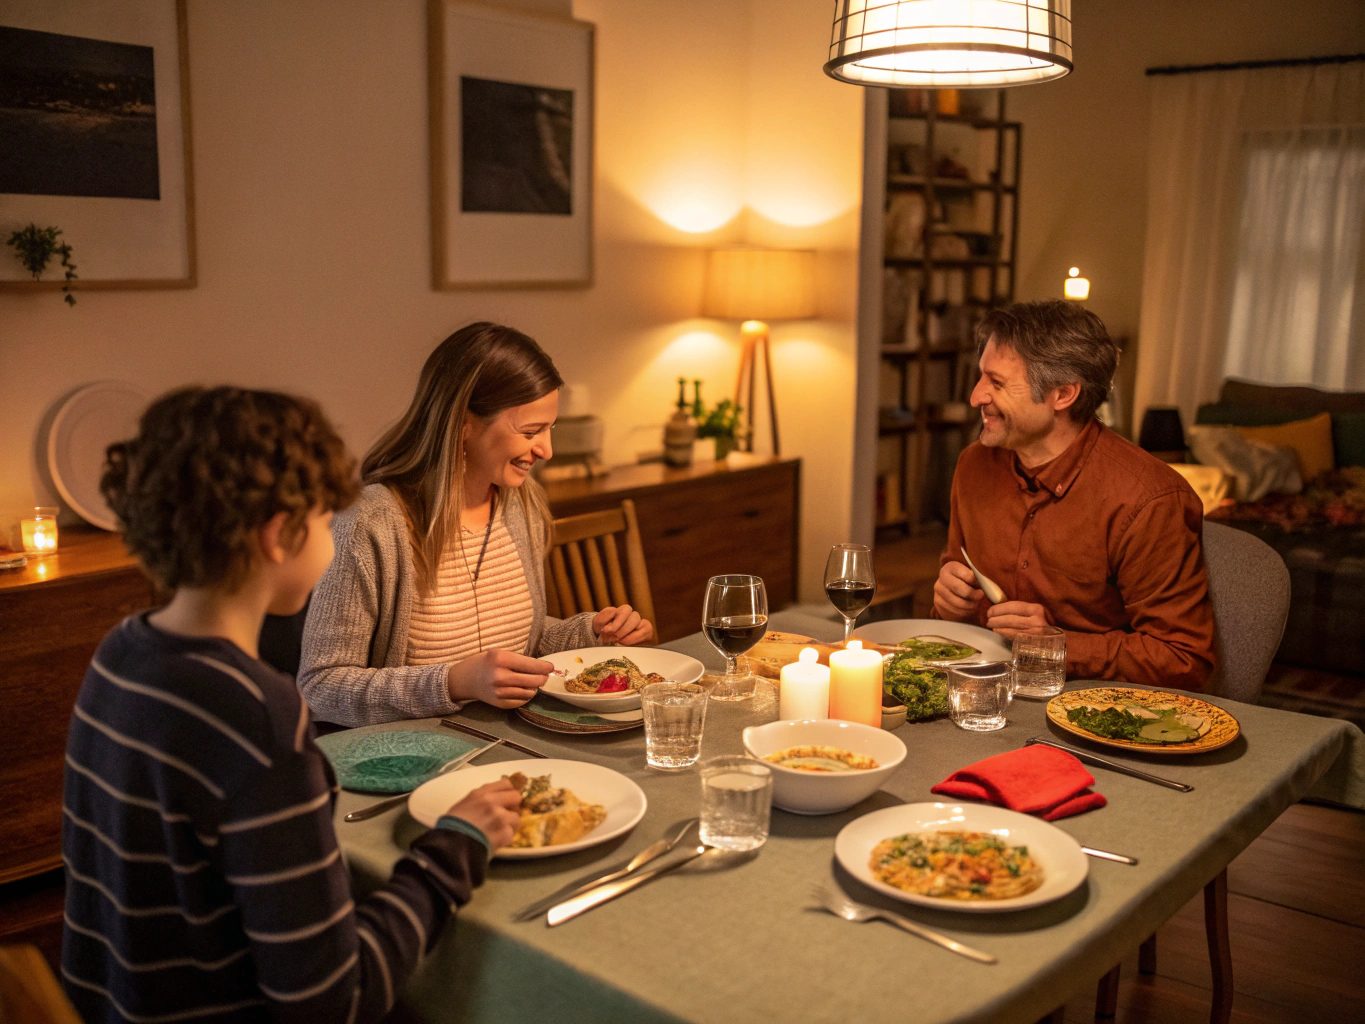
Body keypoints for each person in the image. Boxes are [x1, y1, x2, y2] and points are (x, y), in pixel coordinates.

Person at [62, 387, 522, 1023]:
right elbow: (334, 1000)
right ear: (279, 535)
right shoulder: (257, 717)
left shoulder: (120, 654)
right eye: (325, 517)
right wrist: (456, 847)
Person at [298, 322, 652, 726]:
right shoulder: (373, 523)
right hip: (414, 759)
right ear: (463, 424)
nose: (547, 450)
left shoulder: (521, 503)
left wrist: (589, 633)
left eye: (549, 428)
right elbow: (321, 688)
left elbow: (521, 643)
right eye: (530, 431)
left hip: (509, 741)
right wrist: (452, 683)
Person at [933, 301, 1216, 689]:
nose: (976, 396)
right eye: (981, 376)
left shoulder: (1147, 499)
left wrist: (1057, 646)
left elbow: (1183, 659)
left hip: (1095, 709)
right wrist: (950, 603)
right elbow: (956, 604)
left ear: (1063, 395)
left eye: (996, 383)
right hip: (984, 695)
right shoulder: (974, 466)